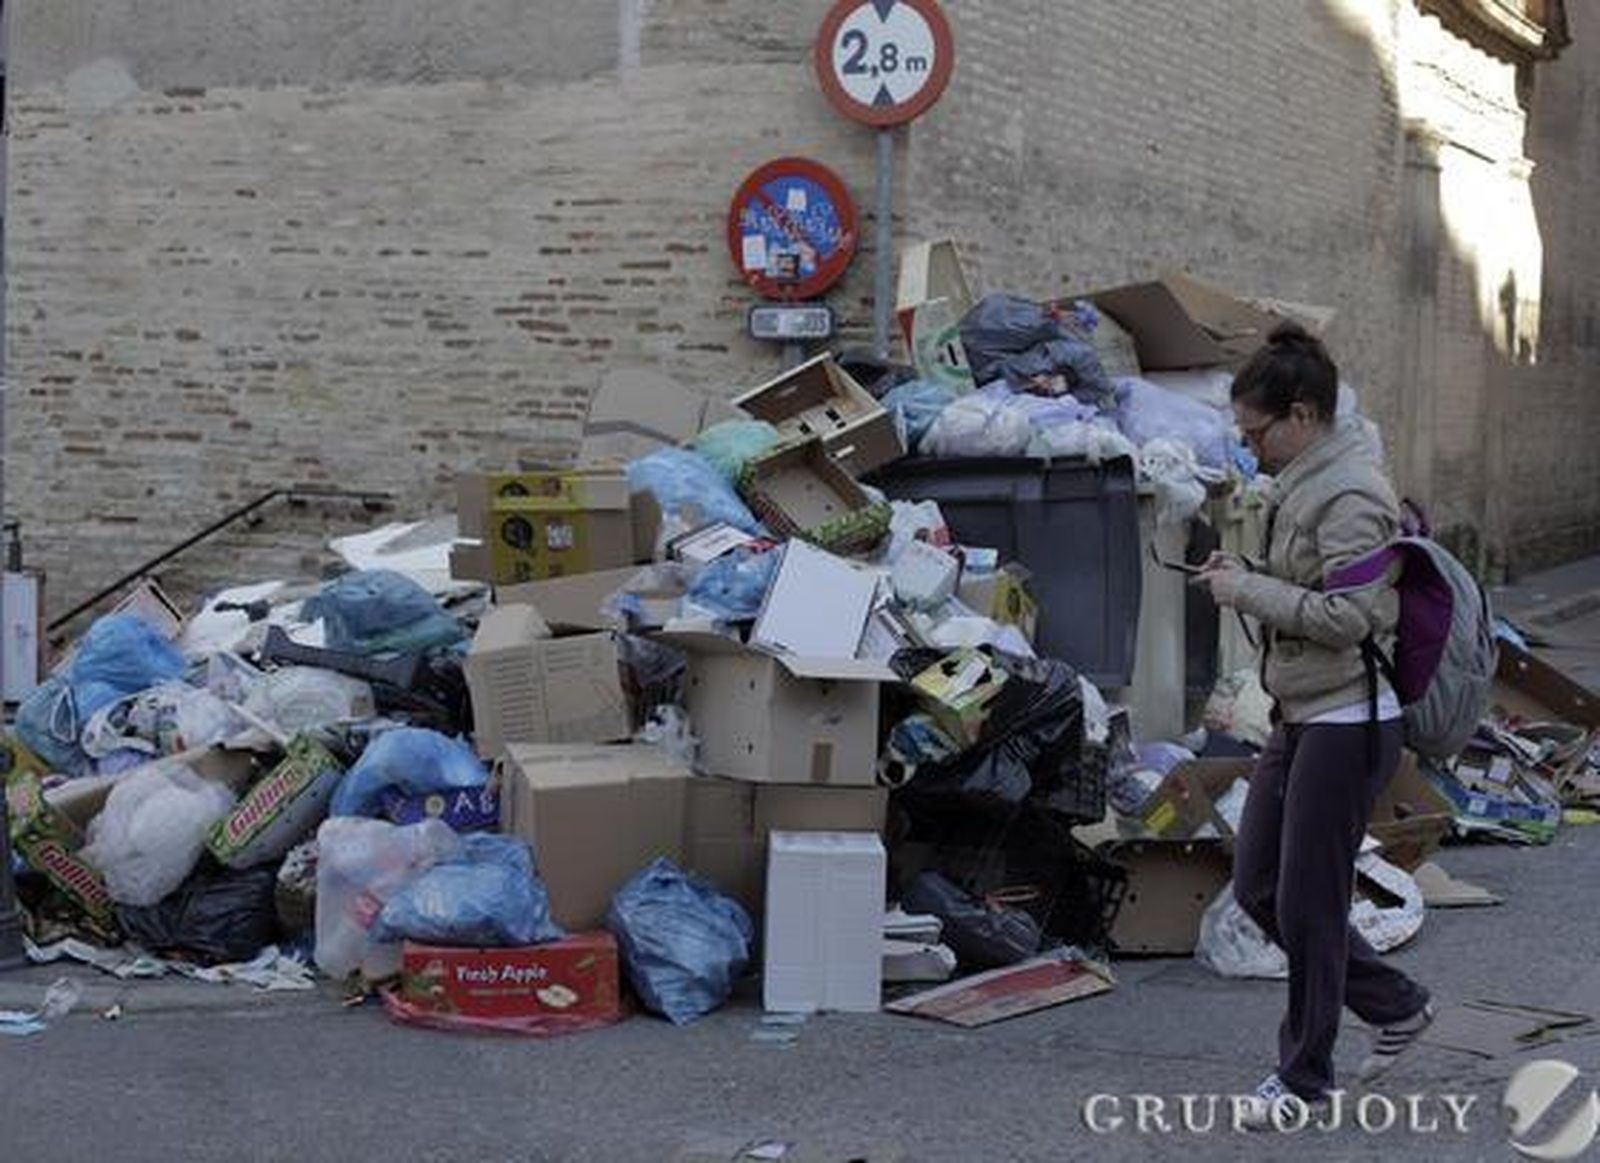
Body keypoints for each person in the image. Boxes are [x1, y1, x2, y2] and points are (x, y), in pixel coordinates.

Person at [1194, 322, 1433, 1125]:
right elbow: (1310, 587)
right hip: (1301, 712)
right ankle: (1395, 1001)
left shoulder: (1353, 491)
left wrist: (1248, 593)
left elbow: (1352, 616)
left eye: (1256, 430)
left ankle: (1304, 1077)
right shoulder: (1303, 478)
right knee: (1260, 884)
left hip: (1350, 717)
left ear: (1300, 415)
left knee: (1309, 902)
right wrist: (1246, 573)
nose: (1248, 445)